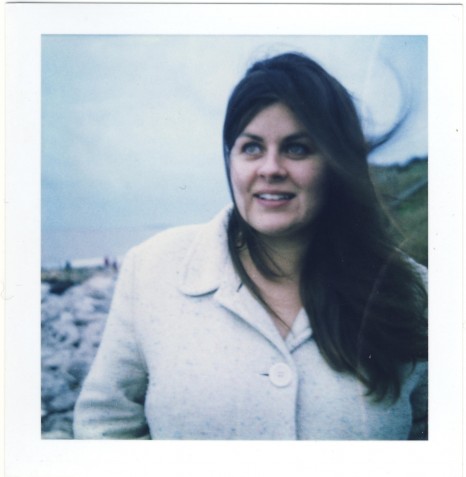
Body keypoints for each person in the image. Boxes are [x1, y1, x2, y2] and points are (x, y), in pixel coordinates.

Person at [73, 52, 428, 440]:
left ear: (336, 163)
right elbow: (104, 426)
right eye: (252, 148)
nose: (270, 168)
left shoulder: (414, 293)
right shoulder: (152, 269)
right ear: (230, 159)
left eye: (297, 148)